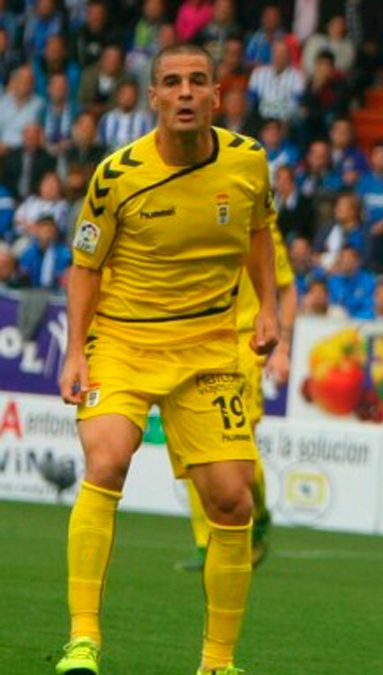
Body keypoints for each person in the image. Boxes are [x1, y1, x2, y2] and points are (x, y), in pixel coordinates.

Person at [54, 44, 279, 675]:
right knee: (108, 457)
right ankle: (83, 641)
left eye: (198, 82)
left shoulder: (249, 162)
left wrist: (270, 308)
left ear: (216, 94)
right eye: (172, 83)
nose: (185, 92)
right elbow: (84, 266)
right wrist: (76, 348)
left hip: (207, 349)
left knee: (234, 501)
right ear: (153, 97)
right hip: (123, 343)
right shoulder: (116, 175)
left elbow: (259, 231)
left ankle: (217, 664)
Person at [177, 218, 297, 572]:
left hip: (244, 344)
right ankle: (204, 543)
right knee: (190, 444)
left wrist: (283, 346)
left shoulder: (258, 226)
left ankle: (256, 513)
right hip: (195, 343)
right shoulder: (191, 212)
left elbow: (287, 289)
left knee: (237, 443)